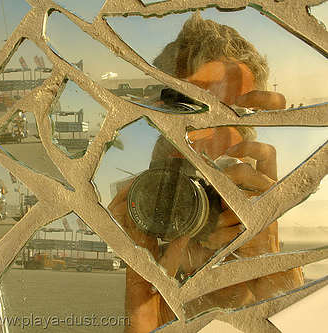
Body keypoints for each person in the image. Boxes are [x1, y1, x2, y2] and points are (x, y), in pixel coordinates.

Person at [108, 13, 304, 332]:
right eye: (187, 115)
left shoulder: (262, 247)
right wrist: (143, 296)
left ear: (251, 138)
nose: (208, 138)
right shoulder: (143, 233)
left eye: (234, 116)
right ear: (162, 133)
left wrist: (272, 273)